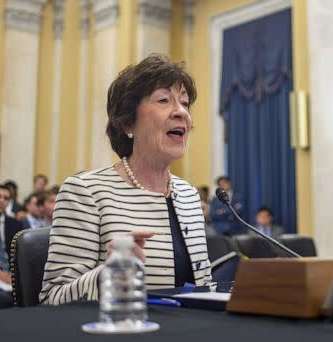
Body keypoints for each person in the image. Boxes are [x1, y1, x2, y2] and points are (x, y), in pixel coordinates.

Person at [39, 54, 211, 305]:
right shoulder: (86, 192)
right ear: (128, 121)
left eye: (185, 103)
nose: (181, 112)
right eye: (164, 100)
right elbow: (51, 298)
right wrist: (107, 275)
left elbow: (202, 289)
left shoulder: (188, 195)